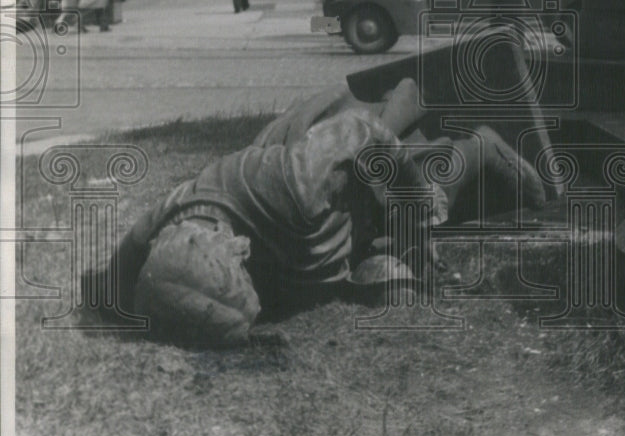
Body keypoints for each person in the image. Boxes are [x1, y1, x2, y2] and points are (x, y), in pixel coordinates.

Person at [85, 78, 546, 347]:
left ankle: (480, 148)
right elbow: (111, 282)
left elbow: (363, 134)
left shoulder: (295, 186)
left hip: (351, 185)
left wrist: (416, 212)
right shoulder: (160, 234)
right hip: (309, 230)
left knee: (423, 190)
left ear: (235, 249)